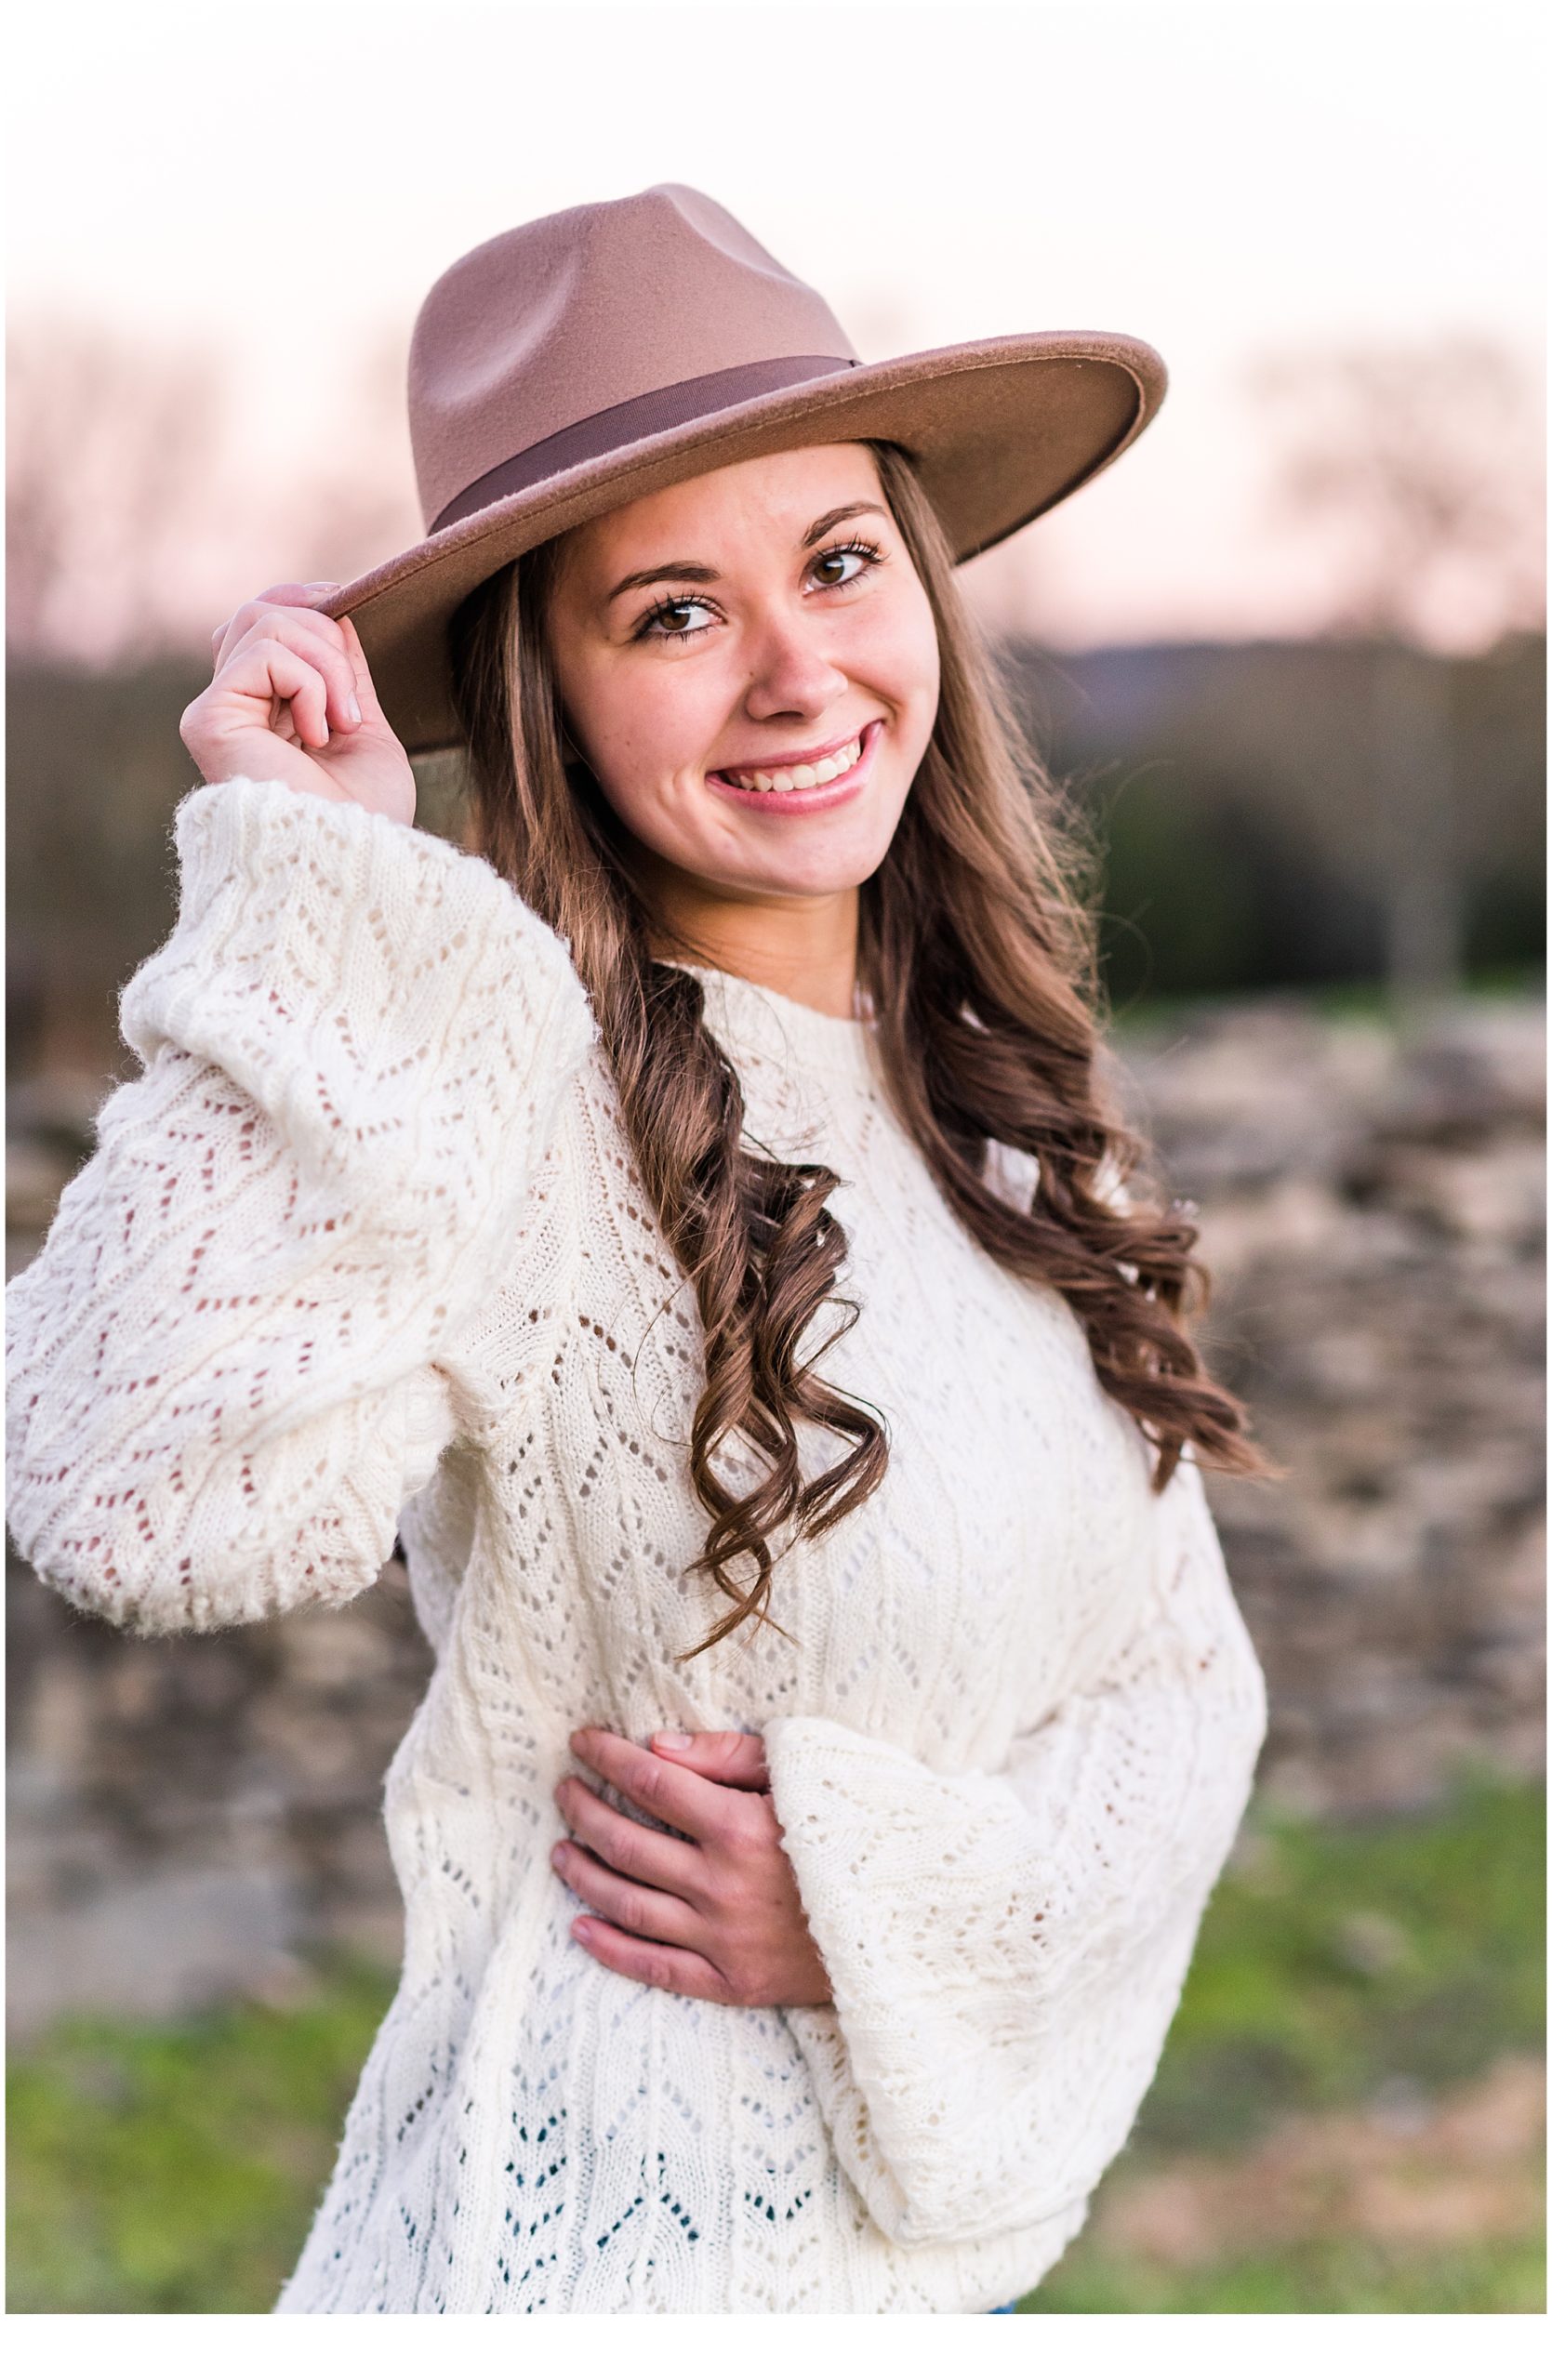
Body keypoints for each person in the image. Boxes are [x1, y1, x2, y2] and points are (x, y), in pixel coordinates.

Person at [6, 185, 1277, 2316]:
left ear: (923, 594)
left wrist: (875, 1903)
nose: (796, 669)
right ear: (550, 691)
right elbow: (124, 1493)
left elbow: (1178, 1690)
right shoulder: (488, 1076)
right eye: (673, 611)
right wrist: (309, 891)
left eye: (839, 562)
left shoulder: (1006, 1138)